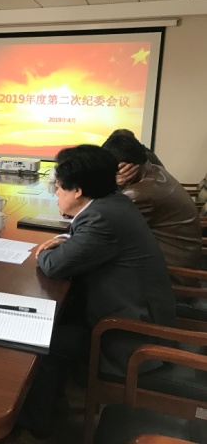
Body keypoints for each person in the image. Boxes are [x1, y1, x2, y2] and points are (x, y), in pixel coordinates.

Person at [16, 145, 175, 439]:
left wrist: (45, 252)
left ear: (77, 191)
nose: (55, 193)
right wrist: (66, 240)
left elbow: (54, 265)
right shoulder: (112, 203)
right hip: (131, 310)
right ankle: (52, 404)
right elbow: (81, 239)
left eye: (59, 186)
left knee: (39, 340)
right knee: (55, 321)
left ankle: (35, 423)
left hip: (131, 332)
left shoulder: (103, 218)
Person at [102, 134, 202, 270]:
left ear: (122, 167)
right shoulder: (155, 170)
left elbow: (104, 226)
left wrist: (109, 184)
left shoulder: (138, 194)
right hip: (181, 258)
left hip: (172, 272)